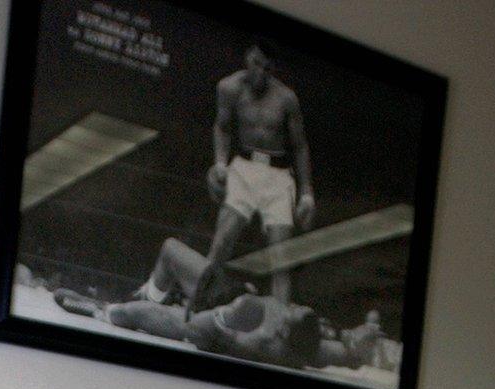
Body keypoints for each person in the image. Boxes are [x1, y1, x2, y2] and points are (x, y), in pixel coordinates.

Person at [57, 238, 381, 372]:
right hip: (231, 293)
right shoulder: (311, 341)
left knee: (130, 314)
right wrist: (362, 336)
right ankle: (147, 296)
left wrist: (227, 316)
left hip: (215, 318)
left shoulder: (261, 343)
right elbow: (349, 357)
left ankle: (105, 310)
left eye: (290, 313)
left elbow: (199, 332)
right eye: (294, 307)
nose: (289, 307)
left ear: (282, 333)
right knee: (170, 248)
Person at [196, 40, 315, 311]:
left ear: (273, 68)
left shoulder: (286, 98)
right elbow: (222, 127)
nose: (260, 72)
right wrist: (220, 163)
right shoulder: (228, 88)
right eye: (256, 64)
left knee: (280, 257)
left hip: (278, 174)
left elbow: (299, 146)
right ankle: (197, 306)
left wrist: (307, 192)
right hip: (244, 168)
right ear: (247, 59)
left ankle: (279, 324)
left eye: (267, 67)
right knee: (222, 242)